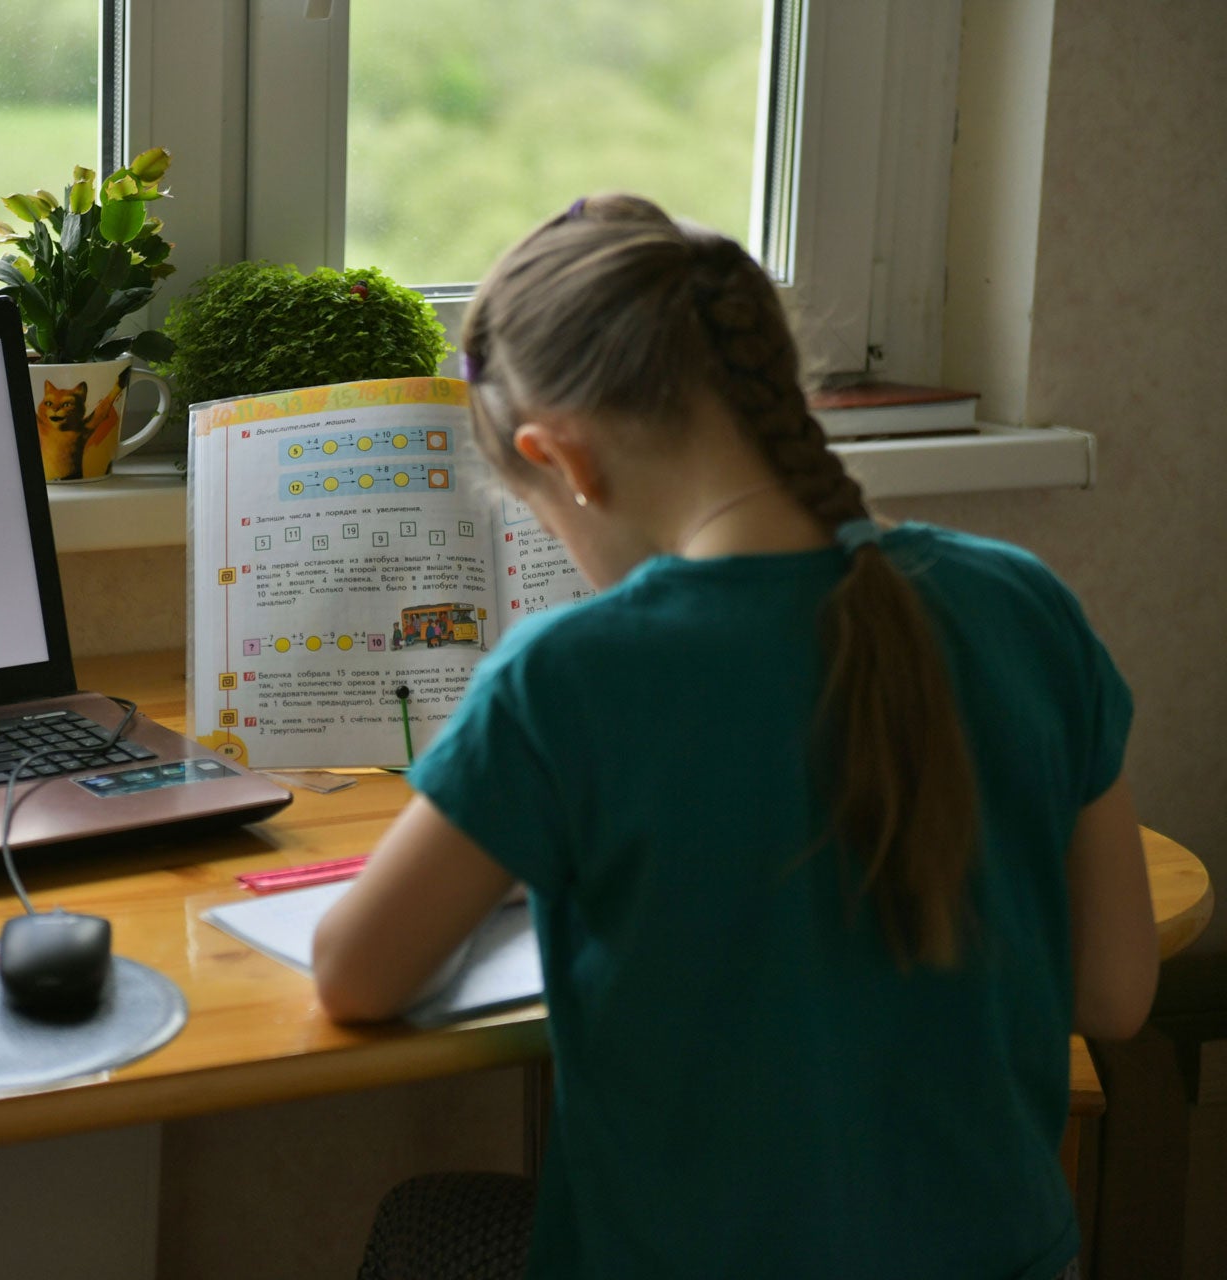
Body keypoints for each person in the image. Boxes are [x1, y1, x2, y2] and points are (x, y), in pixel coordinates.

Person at [312, 195, 1159, 1279]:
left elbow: (354, 974)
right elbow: (1115, 991)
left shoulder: (569, 677)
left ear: (560, 457)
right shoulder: (1027, 604)